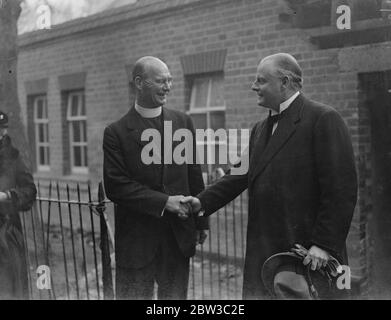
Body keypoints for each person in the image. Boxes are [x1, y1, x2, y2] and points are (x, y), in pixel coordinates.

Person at [182, 53, 358, 299]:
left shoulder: (323, 119)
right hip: (264, 256)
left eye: (261, 81)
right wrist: (202, 202)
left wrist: (324, 245)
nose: (254, 86)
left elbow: (342, 190)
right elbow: (237, 176)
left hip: (307, 256)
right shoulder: (260, 129)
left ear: (284, 82)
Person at [103, 56, 208, 300]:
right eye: (161, 81)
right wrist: (165, 202)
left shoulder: (183, 122)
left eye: (170, 81)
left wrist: (201, 221)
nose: (168, 87)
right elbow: (116, 186)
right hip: (137, 242)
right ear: (139, 83)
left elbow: (194, 174)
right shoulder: (116, 132)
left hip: (177, 237)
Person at [0, 111, 37, 299]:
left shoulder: (14, 158)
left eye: (2, 129)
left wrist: (7, 196)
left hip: (5, 232)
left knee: (9, 287)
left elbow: (29, 191)